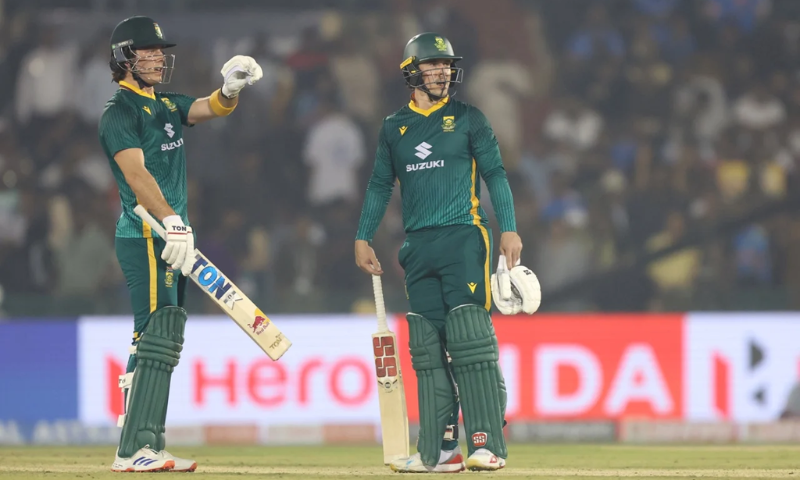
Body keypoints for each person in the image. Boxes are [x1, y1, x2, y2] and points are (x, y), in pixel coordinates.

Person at [354, 33, 541, 473]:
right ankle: (438, 452)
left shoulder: (470, 118)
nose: (442, 72)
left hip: (465, 237)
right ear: (411, 72)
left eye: (446, 65)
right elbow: (380, 185)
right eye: (432, 65)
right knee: (426, 348)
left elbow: (496, 174)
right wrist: (363, 235)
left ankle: (486, 443)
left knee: (469, 340)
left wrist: (509, 228)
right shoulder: (393, 126)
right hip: (417, 245)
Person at [98, 16, 263, 473]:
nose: (158, 58)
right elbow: (136, 175)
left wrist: (230, 89)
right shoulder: (119, 112)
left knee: (164, 338)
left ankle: (148, 442)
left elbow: (209, 108)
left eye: (159, 51)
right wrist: (172, 222)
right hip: (147, 237)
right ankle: (133, 448)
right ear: (123, 58)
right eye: (147, 51)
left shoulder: (165, 102)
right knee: (153, 335)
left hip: (174, 237)